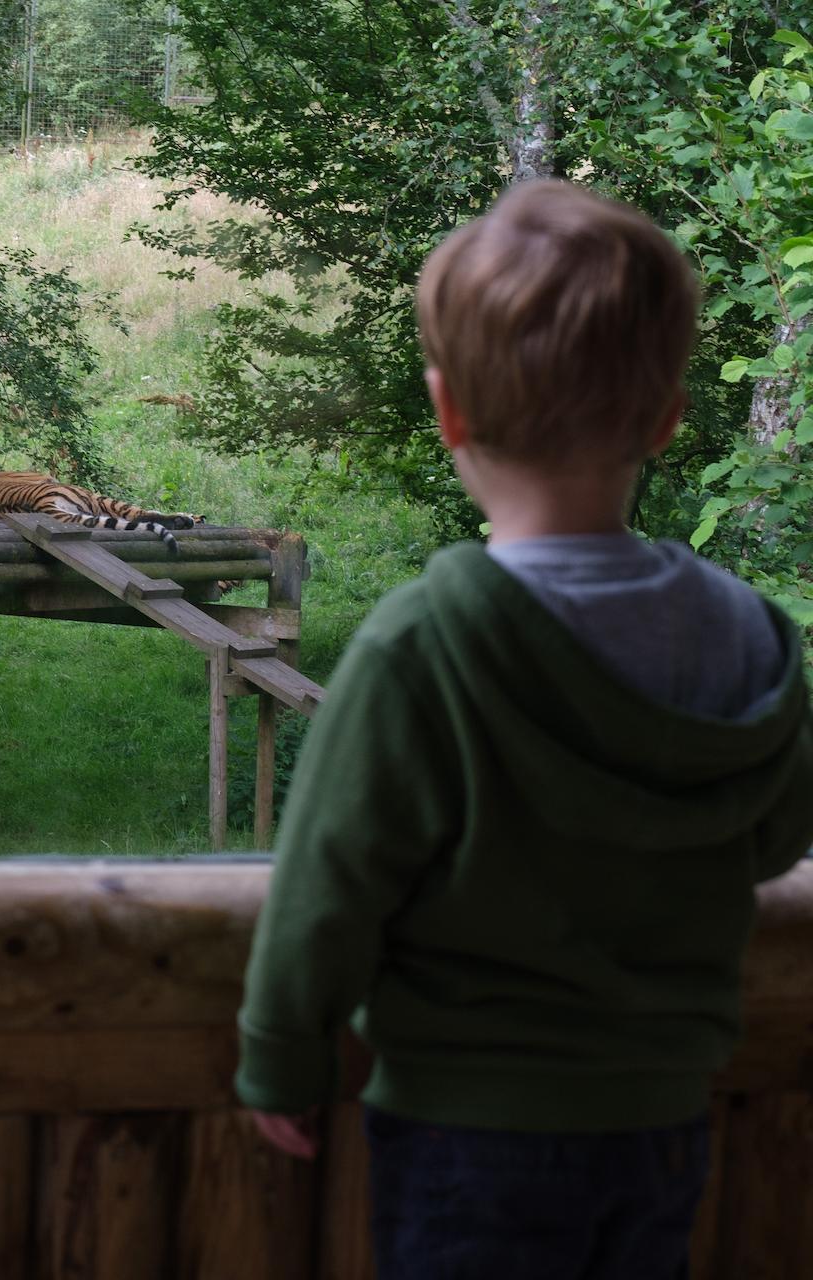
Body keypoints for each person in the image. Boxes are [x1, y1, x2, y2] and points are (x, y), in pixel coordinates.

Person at [234, 179, 813, 1279]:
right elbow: (780, 834)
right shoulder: (744, 635)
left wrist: (279, 1057)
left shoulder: (425, 643)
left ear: (449, 411)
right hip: (659, 1121)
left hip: (465, 1130)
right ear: (666, 417)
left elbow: (327, 883)